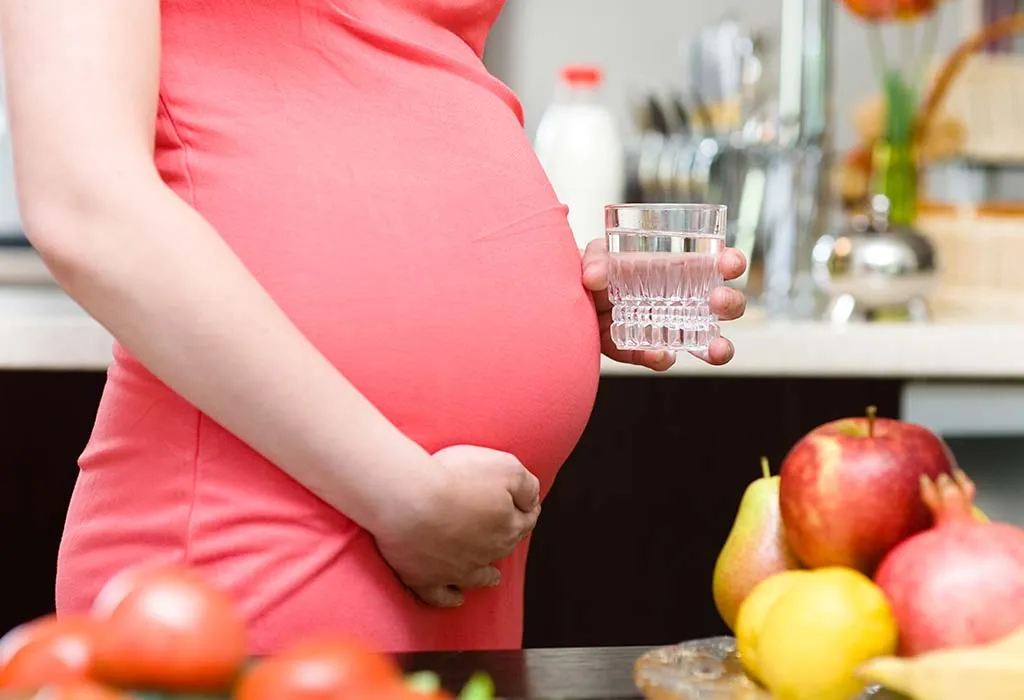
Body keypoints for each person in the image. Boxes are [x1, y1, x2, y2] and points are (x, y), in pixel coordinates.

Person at [0, 0, 747, 654]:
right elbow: (85, 205)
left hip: (465, 552)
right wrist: (402, 495)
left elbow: (371, 98)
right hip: (265, 527)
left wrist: (549, 295)